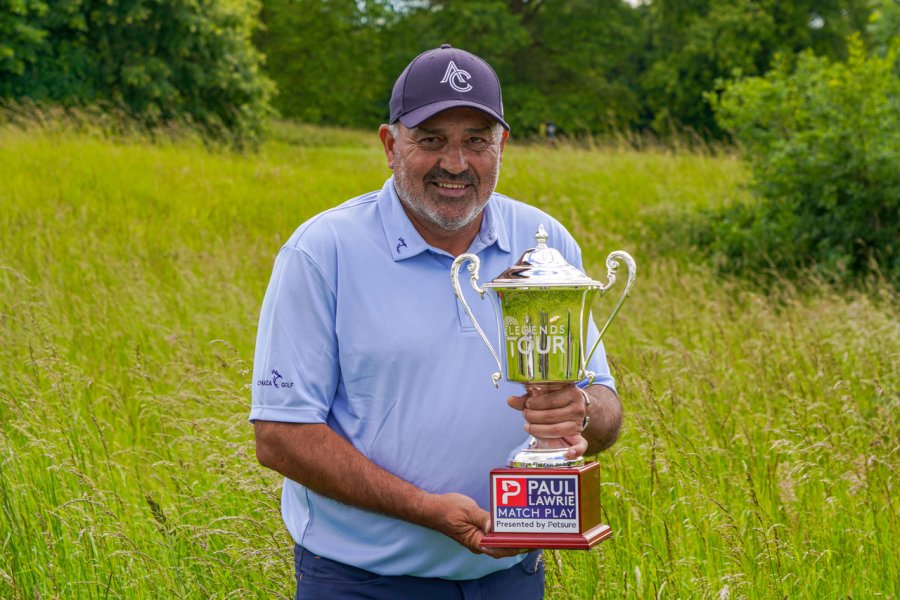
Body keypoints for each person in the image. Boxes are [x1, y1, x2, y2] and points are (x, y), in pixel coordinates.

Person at [250, 44, 623, 599]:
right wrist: (425, 510)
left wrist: (583, 411)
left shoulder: (545, 242)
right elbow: (280, 435)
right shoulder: (322, 251)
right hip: (361, 584)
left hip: (509, 578)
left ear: (502, 146)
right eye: (431, 141)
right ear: (389, 144)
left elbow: (605, 411)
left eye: (476, 140)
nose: (456, 163)